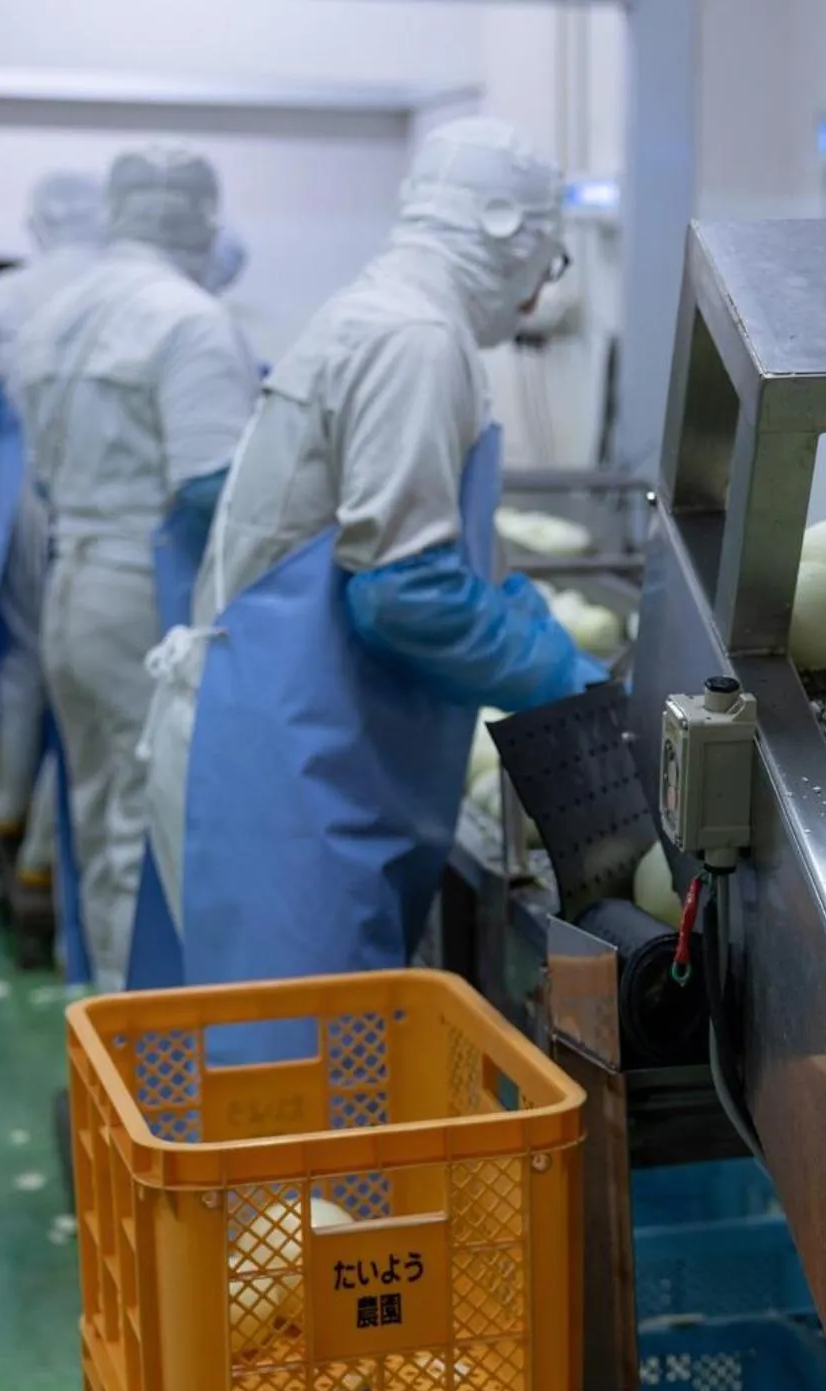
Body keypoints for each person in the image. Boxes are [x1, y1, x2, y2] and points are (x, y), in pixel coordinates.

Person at [131, 118, 604, 1034]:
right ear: (515, 239)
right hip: (283, 776)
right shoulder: (414, 338)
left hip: (290, 748)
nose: (542, 294)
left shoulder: (387, 314)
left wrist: (511, 605)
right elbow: (402, 593)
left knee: (291, 1077)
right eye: (550, 262)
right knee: (295, 1096)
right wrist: (553, 674)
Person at [11, 145, 259, 990]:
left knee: (96, 815)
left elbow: (42, 469)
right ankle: (142, 1050)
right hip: (139, 596)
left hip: (70, 581)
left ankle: (107, 1028)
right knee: (144, 828)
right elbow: (209, 487)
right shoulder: (187, 319)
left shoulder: (56, 313)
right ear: (202, 214)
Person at [0, 171, 103, 962]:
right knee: (86, 691)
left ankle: (9, 816)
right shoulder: (127, 288)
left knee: (25, 666)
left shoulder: (9, 292)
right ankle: (44, 857)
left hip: (23, 490)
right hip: (96, 500)